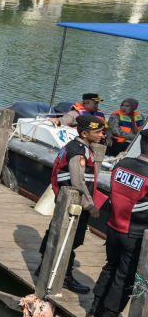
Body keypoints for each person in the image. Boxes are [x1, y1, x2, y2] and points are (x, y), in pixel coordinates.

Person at [36, 115, 107, 294]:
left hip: (67, 201)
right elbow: (78, 181)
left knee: (59, 232)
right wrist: (90, 205)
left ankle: (44, 265)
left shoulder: (79, 147)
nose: (101, 135)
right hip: (73, 203)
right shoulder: (77, 152)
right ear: (84, 133)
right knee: (70, 239)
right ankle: (64, 276)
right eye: (98, 132)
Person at [89, 129, 148, 317]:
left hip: (113, 226)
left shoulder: (122, 164)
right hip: (135, 233)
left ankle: (94, 309)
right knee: (124, 277)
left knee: (110, 267)